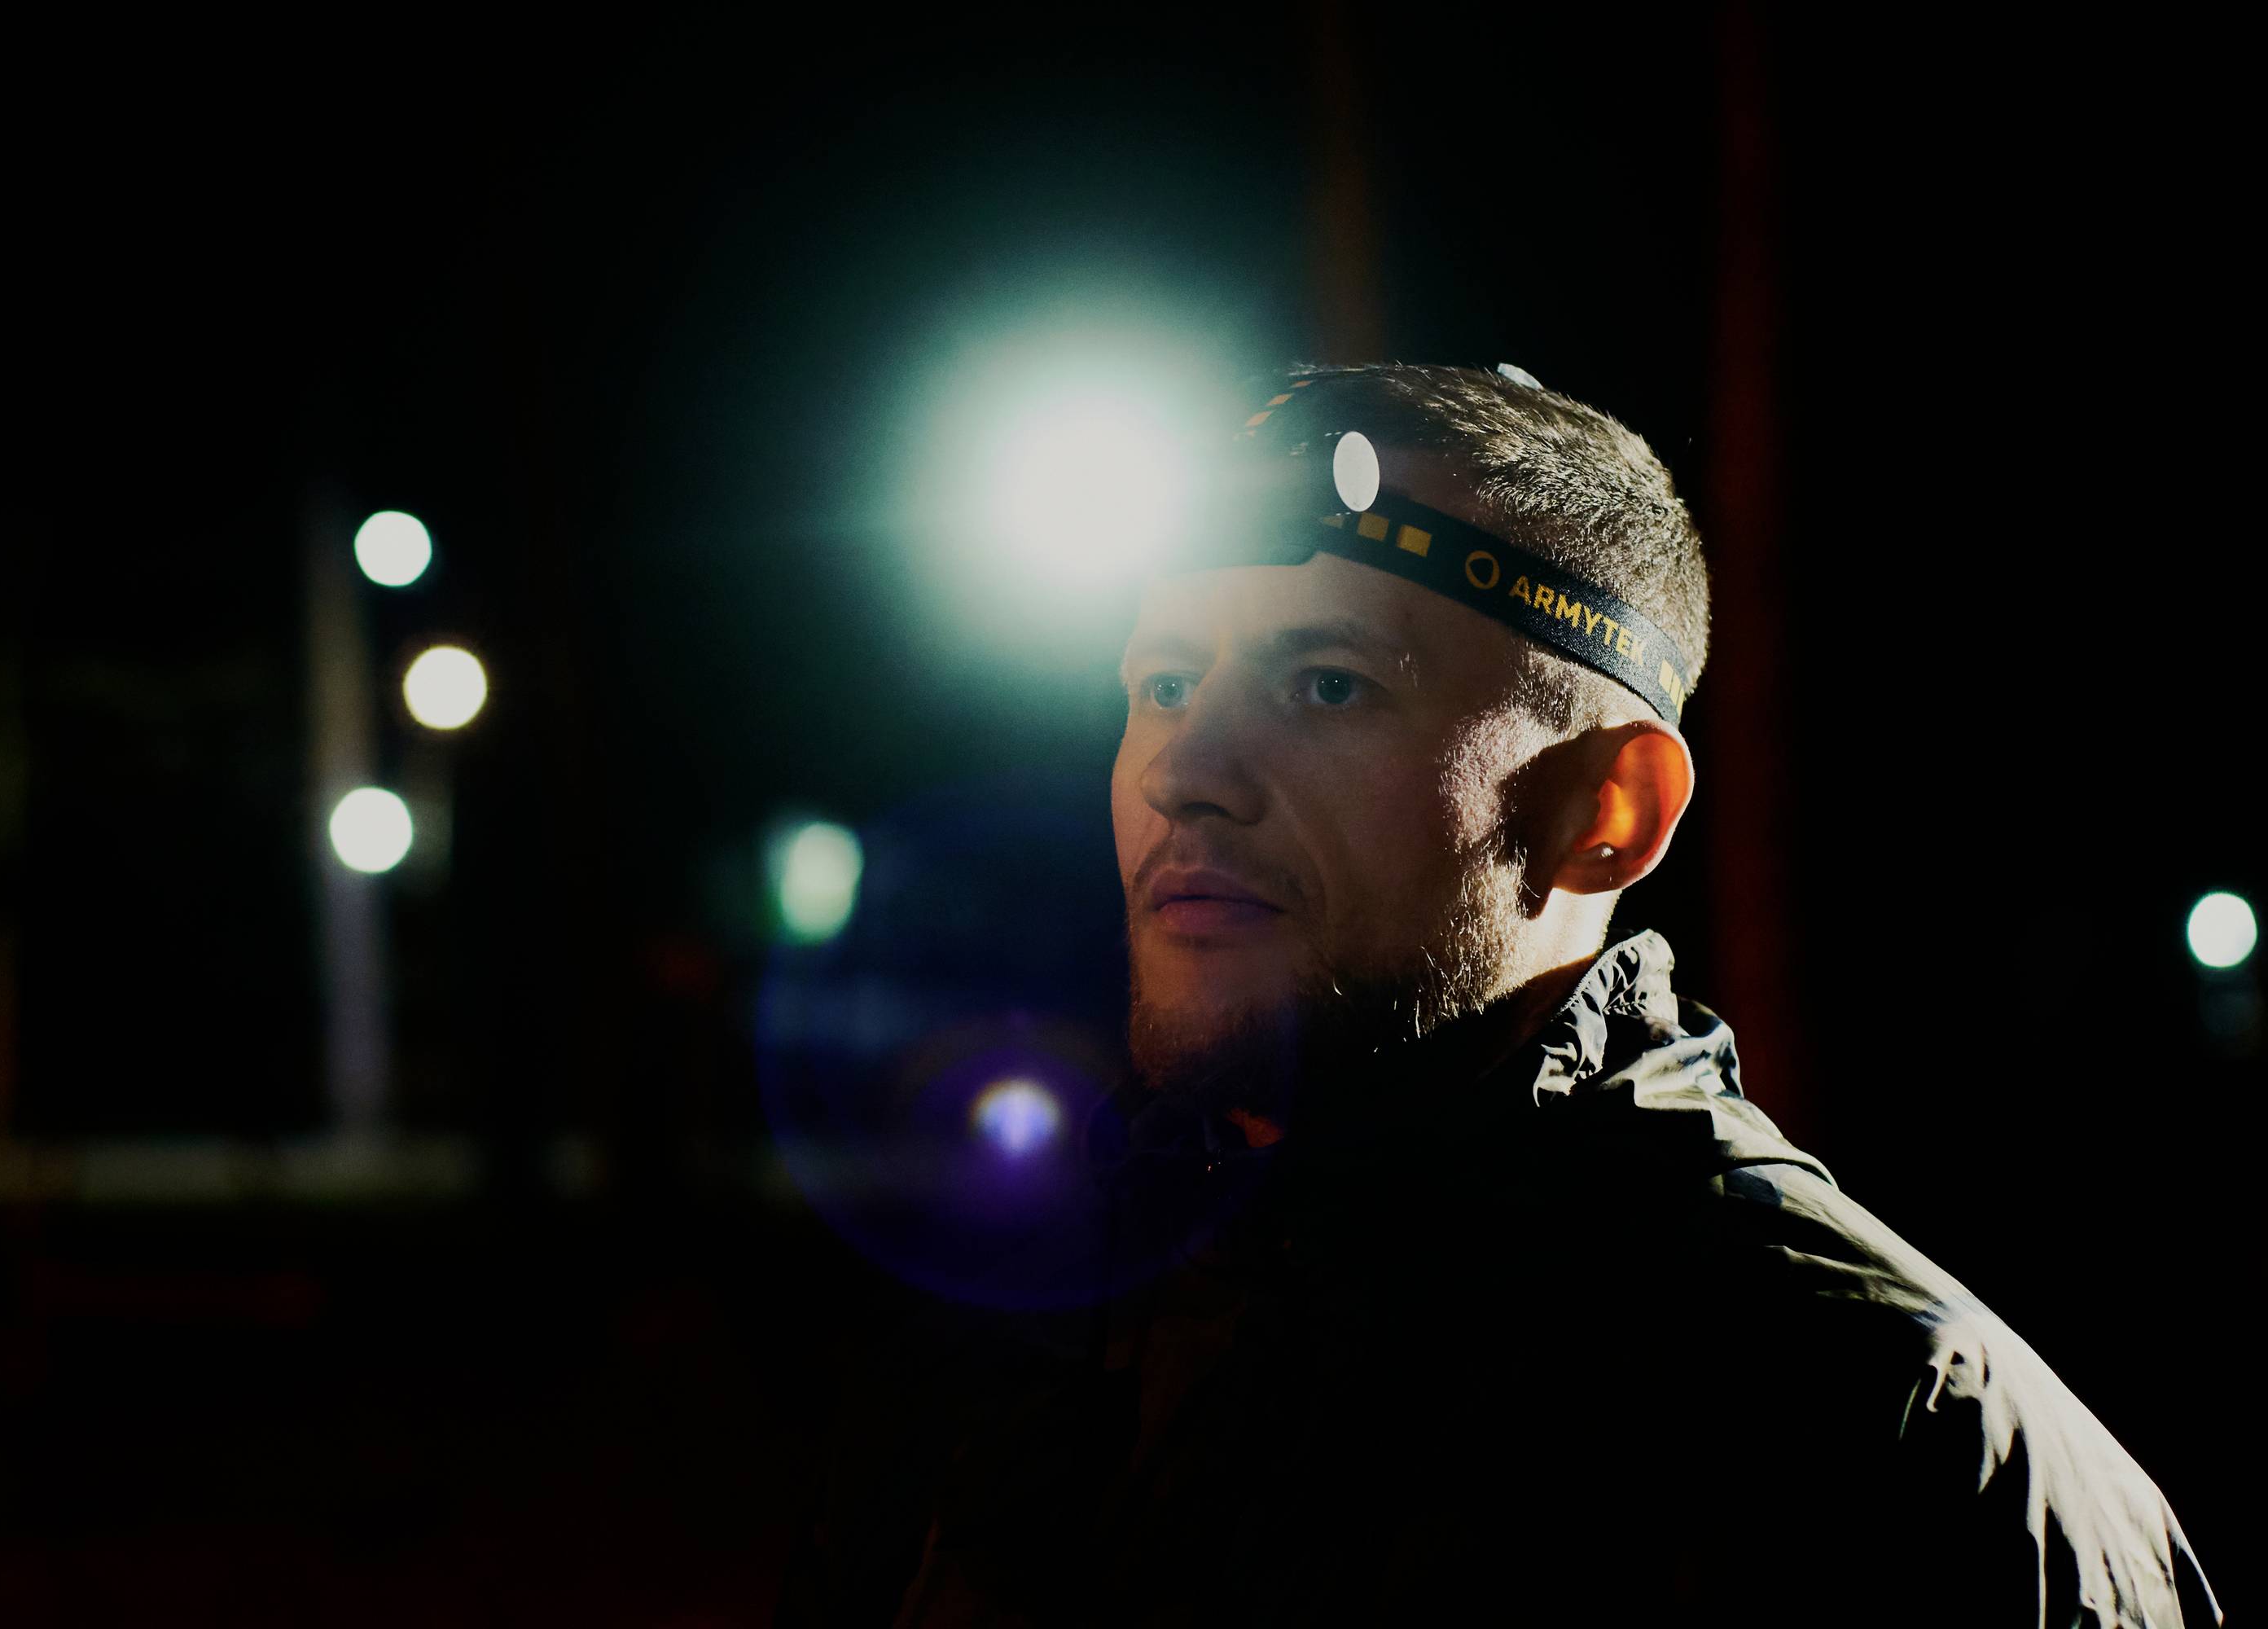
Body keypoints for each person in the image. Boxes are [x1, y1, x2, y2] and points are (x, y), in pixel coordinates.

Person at [779, 364, 2221, 1627]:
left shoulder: (1881, 1432)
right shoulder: (1018, 1337)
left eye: (1328, 686)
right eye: (1161, 686)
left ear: (1609, 811)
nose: (1185, 774)